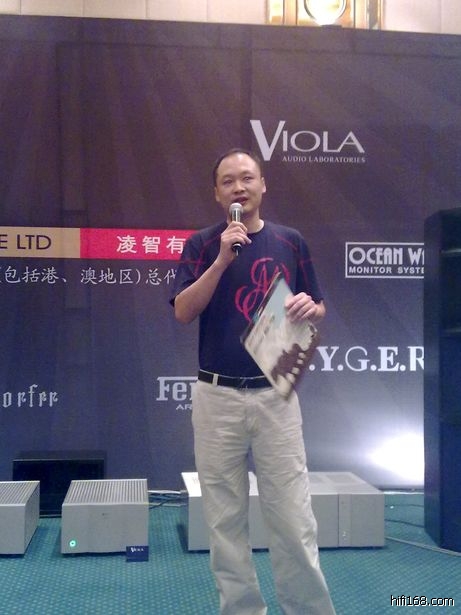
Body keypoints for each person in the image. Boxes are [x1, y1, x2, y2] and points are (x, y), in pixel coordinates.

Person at [170, 148, 336, 615]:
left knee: (293, 520)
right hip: (216, 396)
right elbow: (183, 311)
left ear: (263, 185)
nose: (239, 187)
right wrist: (221, 261)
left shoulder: (290, 241)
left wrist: (311, 309)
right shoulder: (203, 244)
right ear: (217, 194)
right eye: (228, 181)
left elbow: (318, 305)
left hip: (274, 396)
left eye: (247, 178)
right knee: (224, 525)